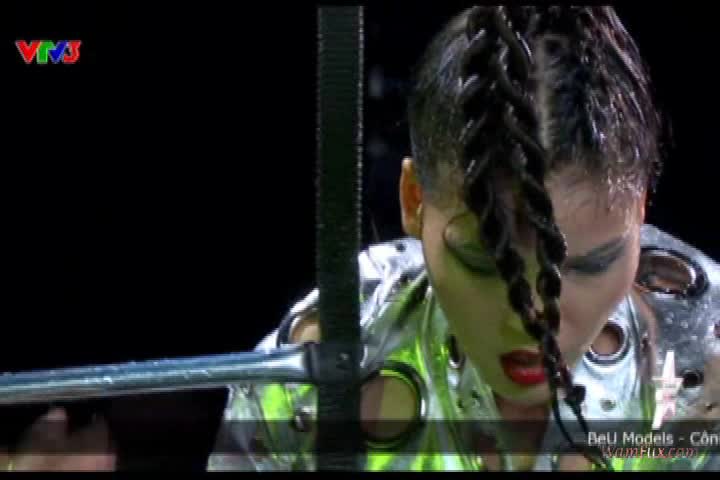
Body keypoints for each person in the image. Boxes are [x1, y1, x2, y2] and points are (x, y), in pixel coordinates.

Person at [207, 5, 720, 472]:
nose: (532, 319)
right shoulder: (314, 381)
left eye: (590, 264)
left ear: (639, 209)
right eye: (484, 262)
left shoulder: (705, 355)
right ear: (415, 201)